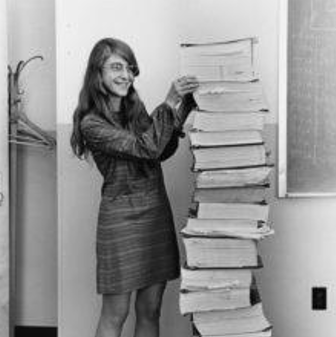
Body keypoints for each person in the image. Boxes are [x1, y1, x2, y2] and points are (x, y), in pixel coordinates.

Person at [70, 37, 199, 337]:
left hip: (154, 214)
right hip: (120, 222)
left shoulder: (136, 111)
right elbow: (147, 147)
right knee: (116, 314)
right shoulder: (92, 124)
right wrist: (169, 103)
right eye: (116, 67)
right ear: (96, 73)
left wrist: (185, 107)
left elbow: (161, 151)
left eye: (129, 68)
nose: (126, 75)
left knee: (150, 310)